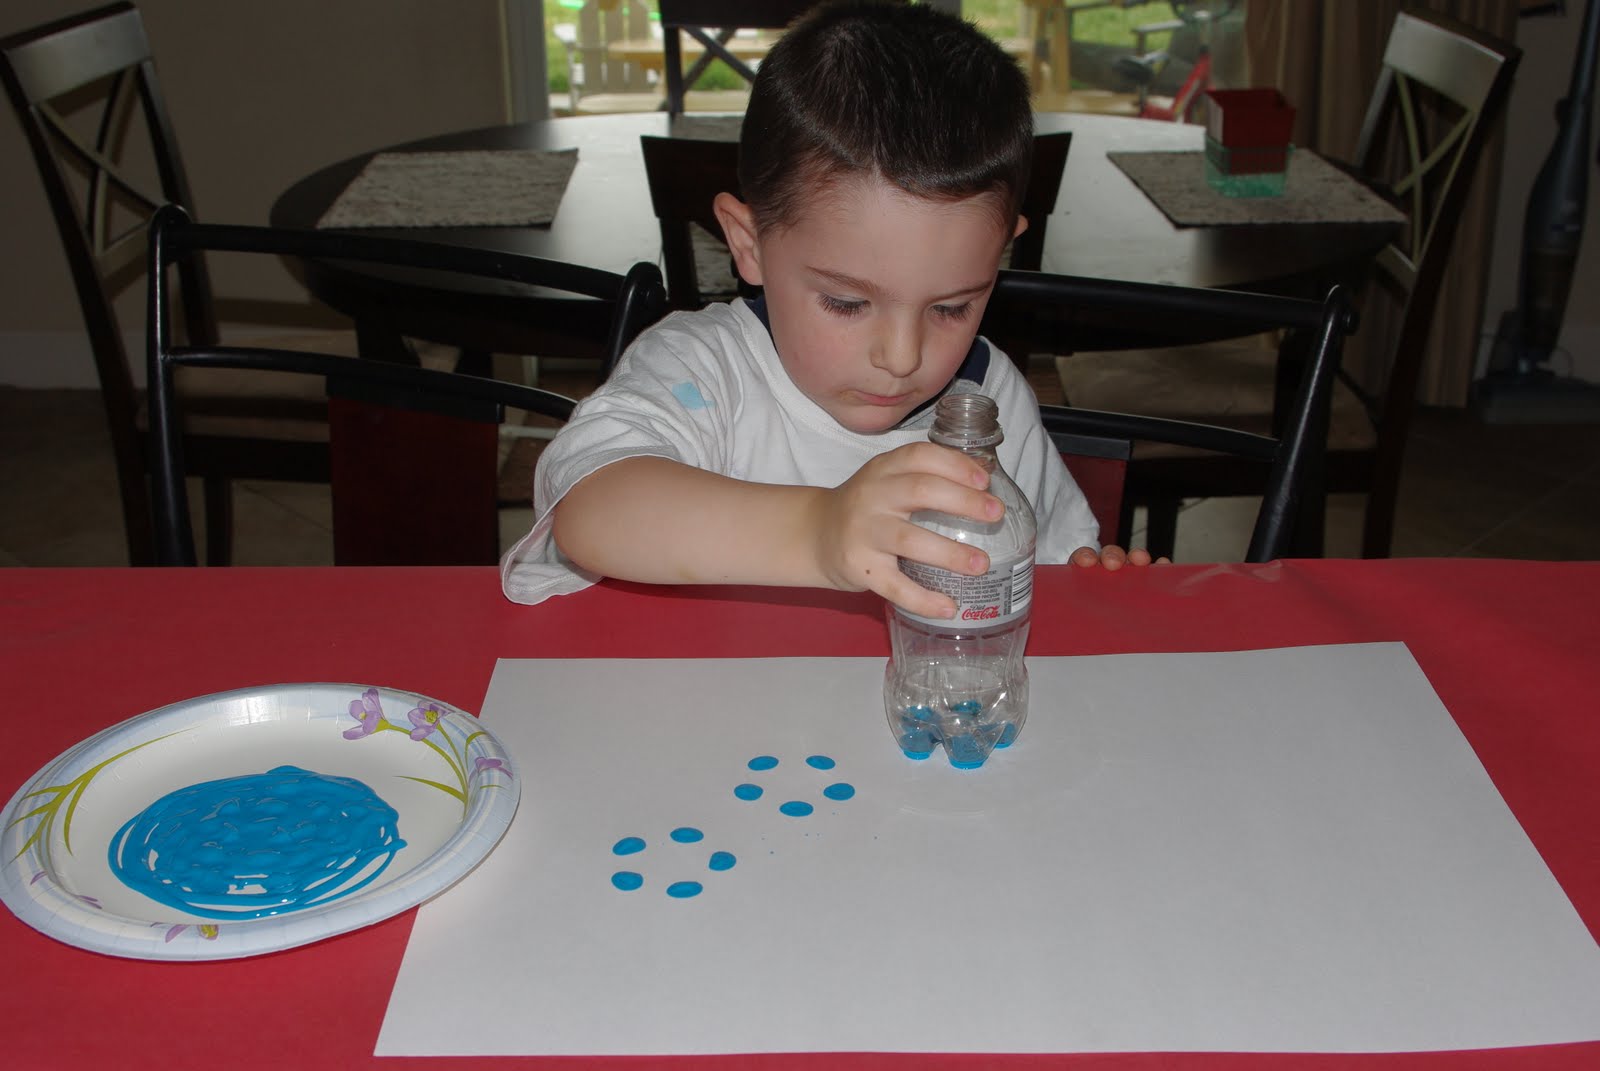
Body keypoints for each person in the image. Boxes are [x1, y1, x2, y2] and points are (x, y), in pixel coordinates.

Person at [501, 0, 1156, 614]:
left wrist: (1091, 589)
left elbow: (1048, 570)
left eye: (952, 307)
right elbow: (589, 510)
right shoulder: (701, 374)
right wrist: (820, 531)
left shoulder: (992, 407)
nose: (902, 357)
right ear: (747, 243)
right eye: (846, 302)